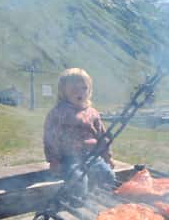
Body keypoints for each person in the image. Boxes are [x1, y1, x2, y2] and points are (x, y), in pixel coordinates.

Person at [43, 68, 116, 199]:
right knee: (78, 182)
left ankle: (103, 198)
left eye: (84, 88)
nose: (80, 92)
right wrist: (53, 160)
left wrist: (107, 156)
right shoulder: (58, 112)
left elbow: (102, 136)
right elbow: (51, 138)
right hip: (70, 158)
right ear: (63, 91)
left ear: (89, 90)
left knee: (108, 176)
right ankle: (78, 202)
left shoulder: (93, 112)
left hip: (93, 157)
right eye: (74, 89)